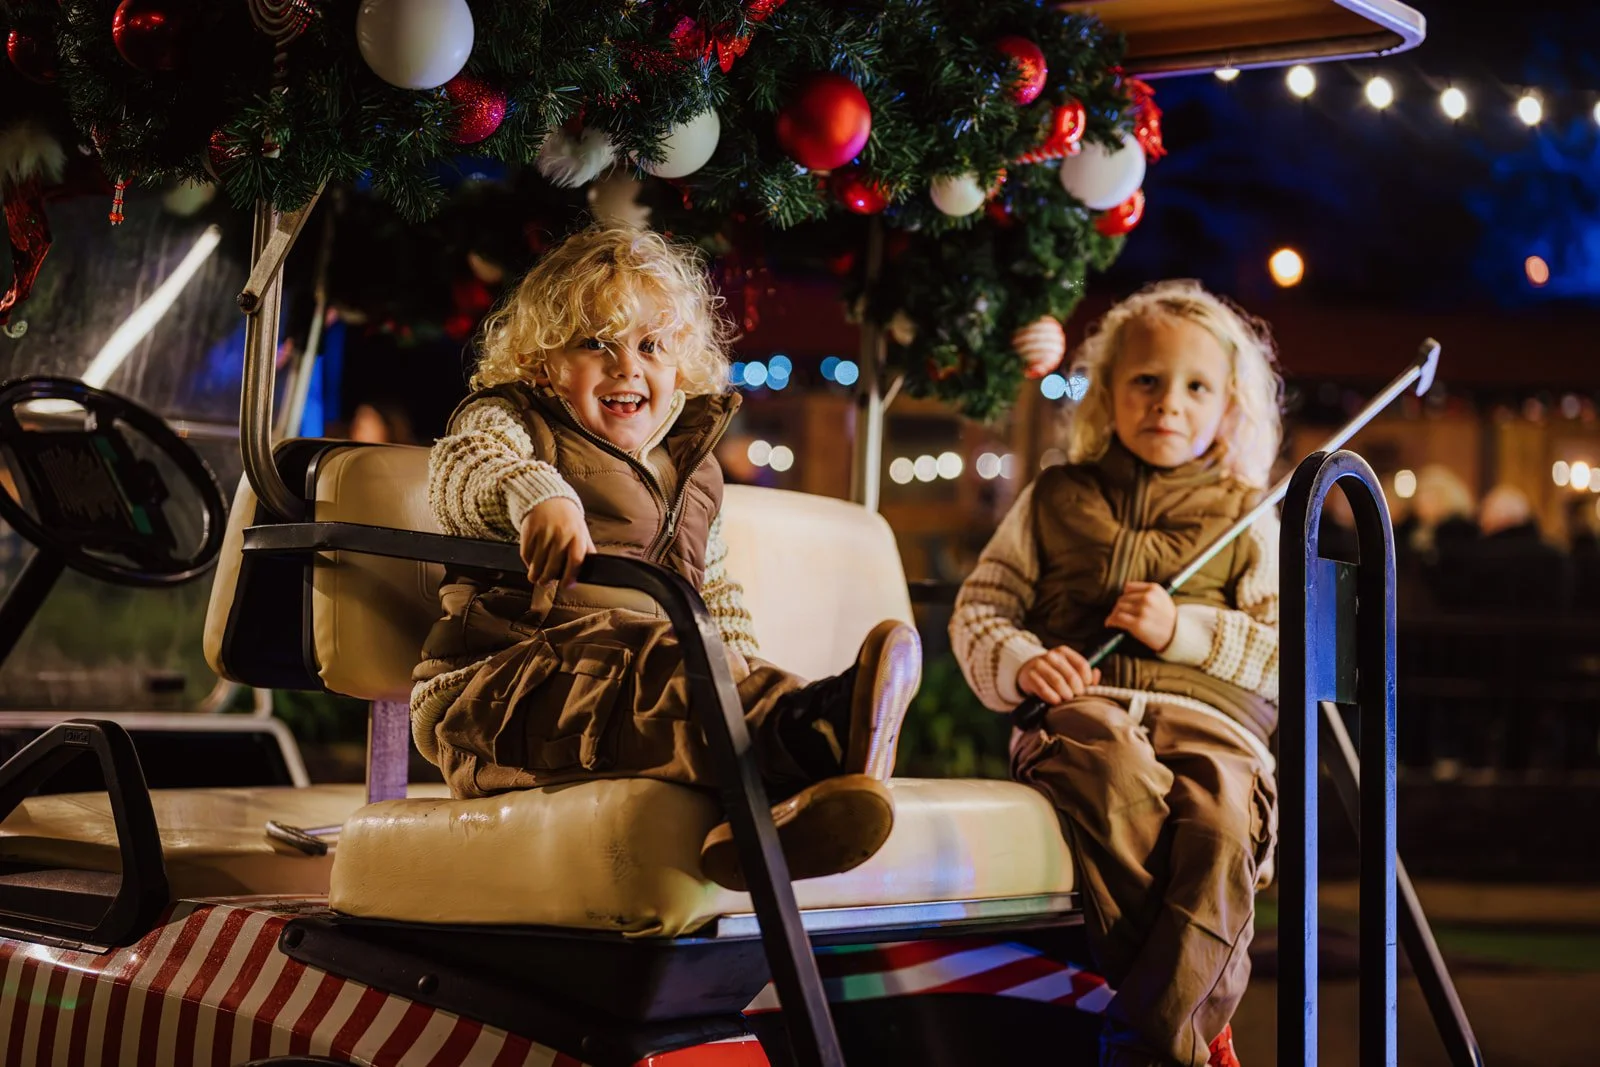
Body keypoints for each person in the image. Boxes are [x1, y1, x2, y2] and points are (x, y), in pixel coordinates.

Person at [409, 225, 921, 890]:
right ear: (544, 363)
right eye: (597, 343)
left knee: (688, 668)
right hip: (500, 690)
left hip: (624, 680)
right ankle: (816, 733)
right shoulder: (512, 421)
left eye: (651, 346)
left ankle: (775, 798)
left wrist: (741, 661)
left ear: (681, 363)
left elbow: (718, 595)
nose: (628, 365)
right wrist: (535, 494)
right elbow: (463, 468)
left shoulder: (693, 468)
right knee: (653, 662)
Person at [951, 280, 1282, 1067]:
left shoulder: (1247, 516)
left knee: (1222, 827)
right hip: (1083, 711)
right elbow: (979, 611)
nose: (1169, 403)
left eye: (1196, 387)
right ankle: (1194, 1030)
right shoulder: (1056, 495)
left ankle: (1149, 1046)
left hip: (1215, 726)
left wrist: (1186, 631)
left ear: (1228, 406)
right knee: (1109, 767)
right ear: (1107, 391)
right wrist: (1024, 662)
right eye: (1146, 381)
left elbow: (1285, 652)